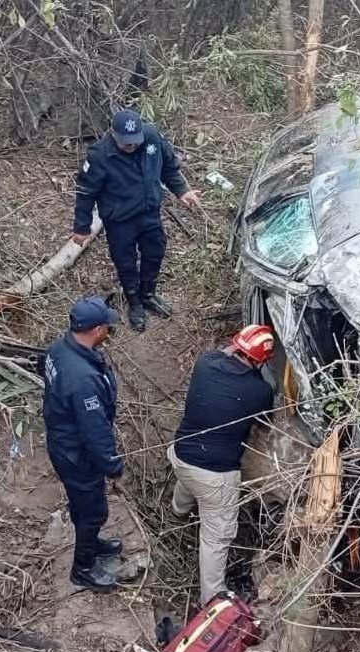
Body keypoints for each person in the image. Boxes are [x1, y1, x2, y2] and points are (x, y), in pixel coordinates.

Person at [168, 325, 276, 605]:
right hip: (215, 476)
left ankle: (178, 511)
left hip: (180, 455)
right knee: (216, 539)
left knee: (190, 479)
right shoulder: (259, 391)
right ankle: (211, 599)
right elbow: (263, 423)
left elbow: (224, 354)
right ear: (260, 361)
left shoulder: (205, 364)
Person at [70, 109, 202, 333]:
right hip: (119, 219)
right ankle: (135, 303)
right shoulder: (100, 155)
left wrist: (182, 191)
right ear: (114, 135)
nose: (131, 146)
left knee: (155, 252)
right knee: (125, 263)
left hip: (149, 211)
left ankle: (148, 294)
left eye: (135, 141)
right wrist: (81, 227)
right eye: (126, 143)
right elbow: (85, 193)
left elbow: (169, 167)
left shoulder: (152, 137)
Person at [41, 296, 125, 591]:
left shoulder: (58, 348)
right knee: (93, 511)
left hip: (63, 441)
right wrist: (111, 463)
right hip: (76, 452)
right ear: (96, 329)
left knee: (82, 504)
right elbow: (94, 429)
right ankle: (83, 569)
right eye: (107, 327)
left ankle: (91, 543)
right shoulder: (83, 379)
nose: (109, 332)